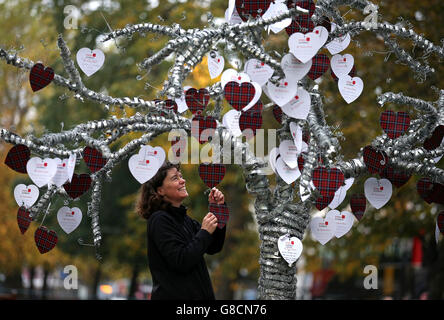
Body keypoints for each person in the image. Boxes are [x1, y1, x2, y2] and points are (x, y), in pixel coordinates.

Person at [136, 161, 226, 300]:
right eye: (175, 178)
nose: (183, 180)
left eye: (181, 176)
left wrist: (218, 210)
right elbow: (181, 260)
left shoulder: (186, 220)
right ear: (160, 190)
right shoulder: (159, 220)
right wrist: (204, 232)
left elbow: (214, 247)